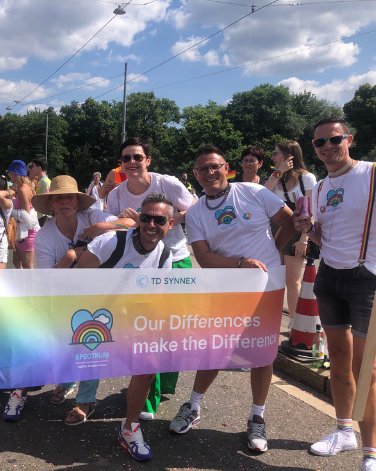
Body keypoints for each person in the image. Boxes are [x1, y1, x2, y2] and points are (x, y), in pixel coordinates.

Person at [172, 145, 295, 453]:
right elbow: (202, 256)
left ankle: (257, 417)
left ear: (226, 167)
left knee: (262, 354)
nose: (209, 173)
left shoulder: (253, 192)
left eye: (214, 166)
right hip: (226, 287)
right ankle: (194, 406)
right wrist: (242, 263)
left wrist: (272, 254)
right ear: (196, 175)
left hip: (267, 287)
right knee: (216, 349)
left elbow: (289, 221)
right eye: (202, 169)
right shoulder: (197, 211)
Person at [2, 175, 128, 424]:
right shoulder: (44, 236)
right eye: (57, 198)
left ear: (78, 201)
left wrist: (99, 230)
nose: (64, 202)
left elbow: (130, 224)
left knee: (93, 344)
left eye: (69, 196)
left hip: (97, 293)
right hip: (60, 296)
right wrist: (72, 255)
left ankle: (85, 401)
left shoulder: (92, 216)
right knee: (36, 343)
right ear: (50, 205)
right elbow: (48, 281)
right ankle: (20, 391)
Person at [296, 117, 376, 471]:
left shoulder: (372, 173)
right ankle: (344, 431)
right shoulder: (319, 188)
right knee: (339, 359)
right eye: (319, 143)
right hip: (329, 277)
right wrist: (308, 230)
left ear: (349, 139)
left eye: (334, 139)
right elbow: (325, 239)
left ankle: (371, 453)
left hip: (367, 280)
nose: (327, 146)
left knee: (367, 369)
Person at [77, 192, 175, 461]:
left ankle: (129, 429)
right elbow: (75, 277)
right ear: (138, 219)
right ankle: (20, 390)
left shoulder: (165, 255)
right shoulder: (111, 242)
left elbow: (155, 299)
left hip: (131, 317)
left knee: (148, 366)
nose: (151, 225)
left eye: (159, 220)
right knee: (42, 350)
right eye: (146, 218)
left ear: (170, 224)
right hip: (93, 313)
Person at [106, 137, 195, 421]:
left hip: (176, 258)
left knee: (172, 329)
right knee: (148, 330)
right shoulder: (116, 195)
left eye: (137, 157)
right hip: (139, 265)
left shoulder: (166, 183)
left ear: (148, 160)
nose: (131, 162)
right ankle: (148, 398)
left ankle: (164, 383)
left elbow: (194, 209)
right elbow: (111, 231)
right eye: (125, 158)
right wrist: (125, 222)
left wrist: (163, 220)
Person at [264, 141, 317, 325]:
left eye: (276, 153)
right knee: (275, 278)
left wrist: (304, 238)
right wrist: (278, 171)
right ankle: (273, 320)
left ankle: (295, 322)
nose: (272, 157)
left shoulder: (307, 178)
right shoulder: (277, 178)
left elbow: (311, 211)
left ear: (288, 156)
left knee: (292, 281)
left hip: (297, 233)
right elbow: (261, 193)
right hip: (274, 232)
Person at [6, 160, 39, 269]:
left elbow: (26, 215)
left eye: (9, 172)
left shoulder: (23, 189)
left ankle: (30, 285)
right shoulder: (22, 188)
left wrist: (10, 211)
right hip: (21, 232)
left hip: (27, 233)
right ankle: (22, 284)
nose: (8, 174)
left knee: (27, 265)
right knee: (16, 262)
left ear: (15, 173)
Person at [28, 159, 51, 227]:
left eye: (33, 166)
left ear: (39, 168)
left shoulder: (46, 182)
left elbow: (47, 200)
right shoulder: (40, 182)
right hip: (39, 216)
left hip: (44, 217)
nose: (32, 169)